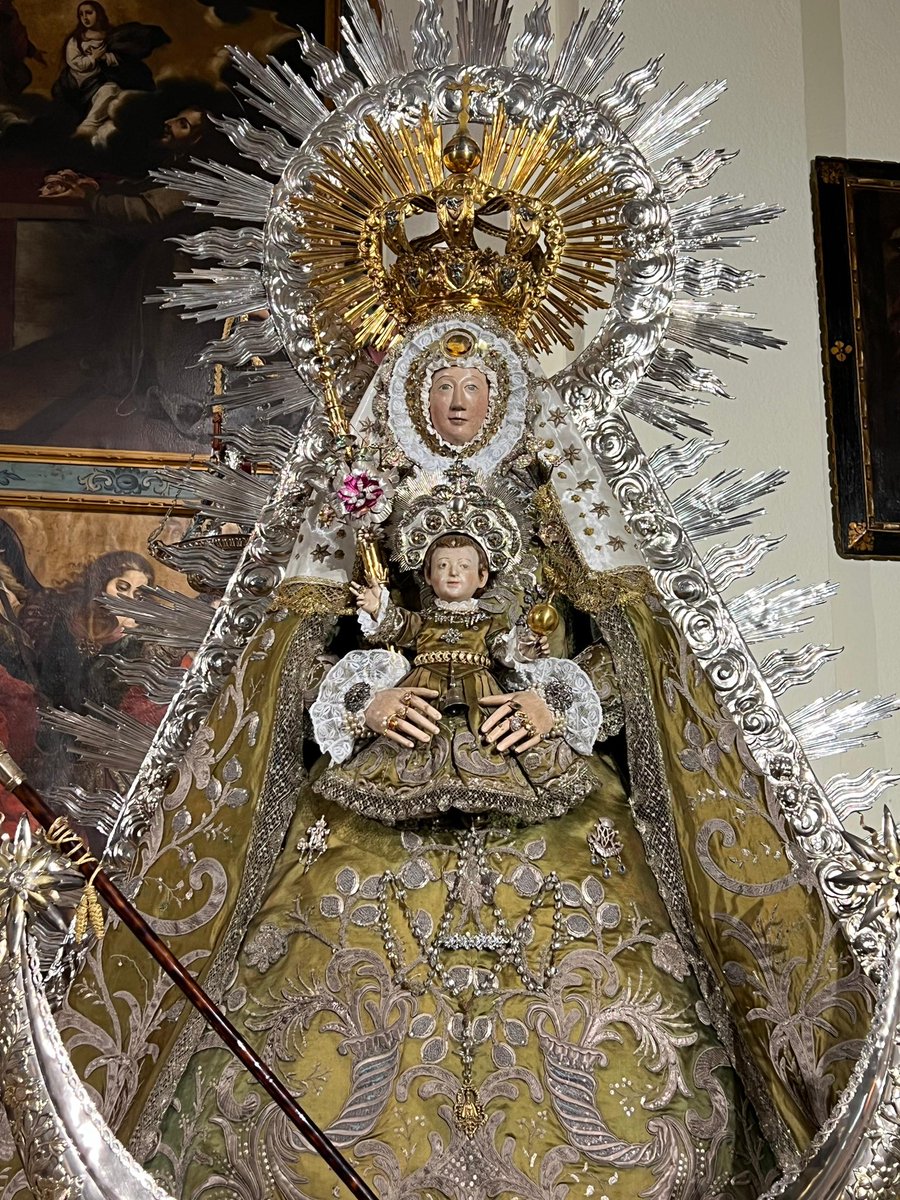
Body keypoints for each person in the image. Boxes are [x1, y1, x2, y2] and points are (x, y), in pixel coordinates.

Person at [51, 1, 168, 142]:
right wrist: (93, 57)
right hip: (79, 84)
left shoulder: (111, 36)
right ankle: (85, 131)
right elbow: (76, 63)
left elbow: (120, 59)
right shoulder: (76, 40)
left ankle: (89, 128)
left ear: (99, 14)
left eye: (89, 13)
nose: (85, 17)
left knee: (111, 90)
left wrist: (107, 57)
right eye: (81, 14)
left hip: (100, 81)